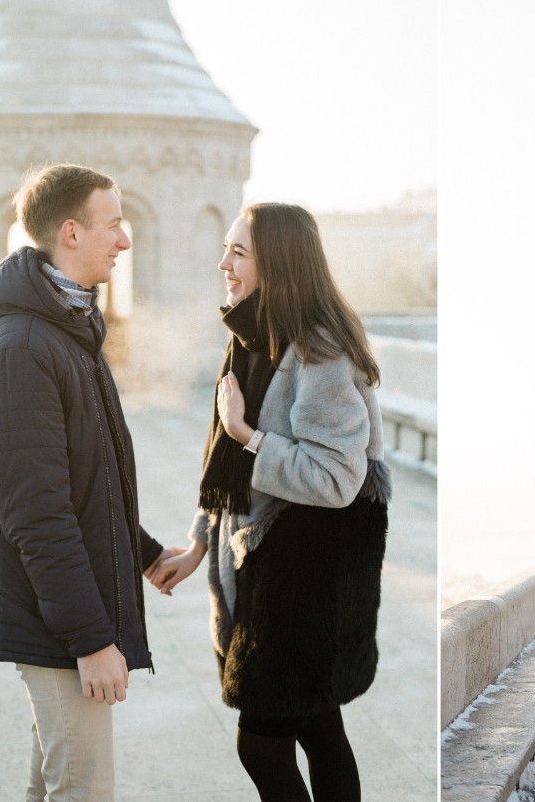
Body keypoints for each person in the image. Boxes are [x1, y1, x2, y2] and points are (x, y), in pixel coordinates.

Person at [0, 163, 176, 802]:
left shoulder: (63, 330)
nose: (125, 240)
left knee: (54, 788)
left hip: (60, 617)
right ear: (71, 233)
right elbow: (37, 512)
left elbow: (82, 483)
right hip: (56, 625)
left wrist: (149, 555)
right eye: (114, 224)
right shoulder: (23, 345)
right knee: (82, 791)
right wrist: (92, 640)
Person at [152, 201, 390, 802]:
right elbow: (228, 473)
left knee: (259, 745)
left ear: (277, 263)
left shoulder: (320, 350)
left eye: (238, 252)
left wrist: (250, 435)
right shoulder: (250, 337)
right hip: (271, 571)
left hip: (303, 582)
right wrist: (199, 541)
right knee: (317, 724)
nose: (222, 263)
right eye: (226, 249)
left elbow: (338, 479)